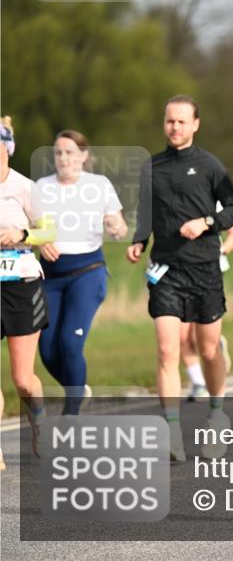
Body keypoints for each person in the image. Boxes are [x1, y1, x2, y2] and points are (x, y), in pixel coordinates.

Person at [127, 96, 233, 461]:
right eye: (169, 122)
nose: (174, 128)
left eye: (181, 122)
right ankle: (171, 430)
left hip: (205, 269)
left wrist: (207, 223)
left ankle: (216, 415)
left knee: (209, 349)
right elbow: (145, 212)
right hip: (165, 270)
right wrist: (138, 239)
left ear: (195, 124)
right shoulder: (152, 166)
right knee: (167, 350)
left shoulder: (210, 165)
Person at [35, 130, 128, 415]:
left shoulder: (99, 185)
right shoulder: (41, 186)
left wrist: (115, 228)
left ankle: (71, 415)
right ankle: (79, 389)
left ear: (84, 156)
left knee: (70, 342)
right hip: (50, 277)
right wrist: (41, 240)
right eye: (59, 153)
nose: (64, 158)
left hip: (87, 272)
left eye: (70, 152)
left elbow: (120, 228)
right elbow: (31, 229)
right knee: (48, 350)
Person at [1, 116, 53, 469]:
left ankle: (38, 419)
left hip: (21, 283)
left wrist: (22, 235)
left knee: (22, 378)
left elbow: (48, 231)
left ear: (7, 149)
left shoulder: (25, 188)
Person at [180, 206, 233, 402]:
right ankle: (198, 383)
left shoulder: (210, 196)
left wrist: (219, 252)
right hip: (177, 270)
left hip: (210, 270)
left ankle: (215, 346)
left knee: (200, 337)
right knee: (181, 335)